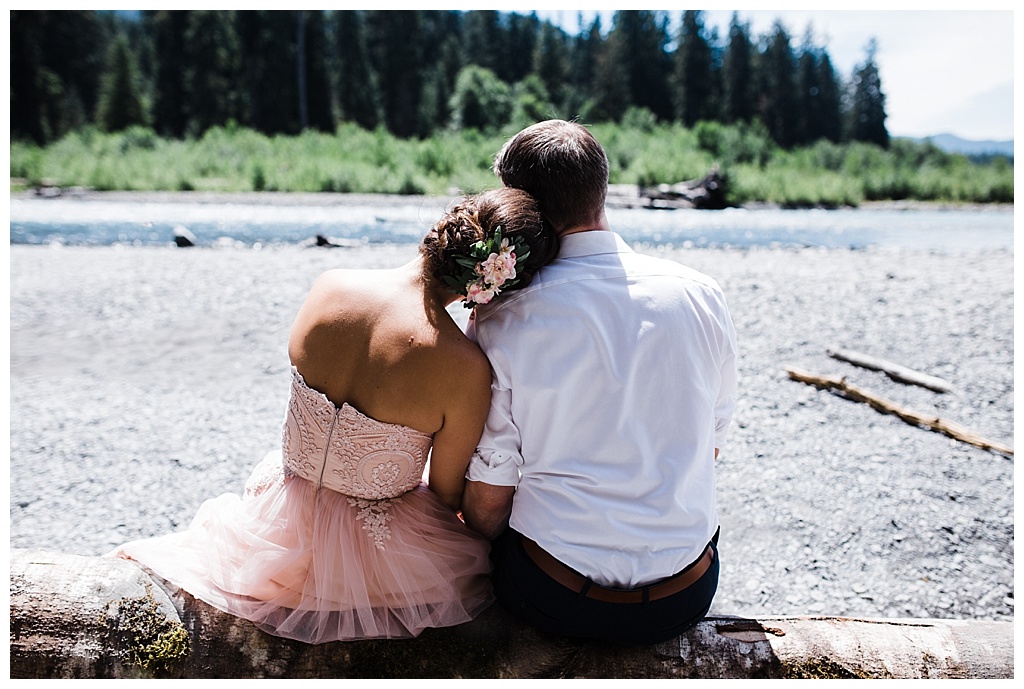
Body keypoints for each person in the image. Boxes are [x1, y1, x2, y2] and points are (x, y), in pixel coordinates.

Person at [110, 187, 559, 644]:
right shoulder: (464, 369)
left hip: (275, 529)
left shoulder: (330, 285)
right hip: (377, 560)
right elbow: (445, 496)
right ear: (494, 285)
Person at [461, 120, 738, 646]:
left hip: (556, 595)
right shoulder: (701, 293)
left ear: (518, 204)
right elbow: (714, 444)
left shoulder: (504, 316)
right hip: (686, 594)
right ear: (602, 188)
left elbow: (491, 497)